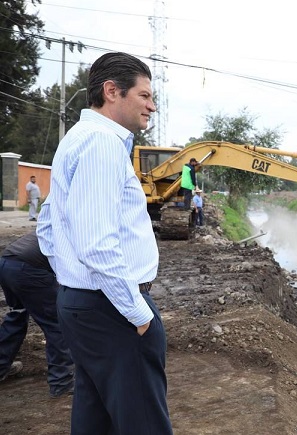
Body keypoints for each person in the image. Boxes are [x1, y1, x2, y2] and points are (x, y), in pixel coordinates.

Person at [38, 52, 173, 434]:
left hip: (86, 302)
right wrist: (137, 312)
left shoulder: (78, 139)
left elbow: (48, 227)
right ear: (112, 91)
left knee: (95, 416)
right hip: (113, 309)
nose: (152, 106)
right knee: (143, 422)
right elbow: (97, 244)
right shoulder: (101, 144)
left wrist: (71, 277)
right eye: (145, 96)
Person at [0, 231, 74, 397]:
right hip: (29, 268)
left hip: (7, 262)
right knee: (57, 324)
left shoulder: (61, 223)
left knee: (16, 316)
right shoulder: (84, 234)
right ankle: (61, 383)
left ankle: (1, 366)